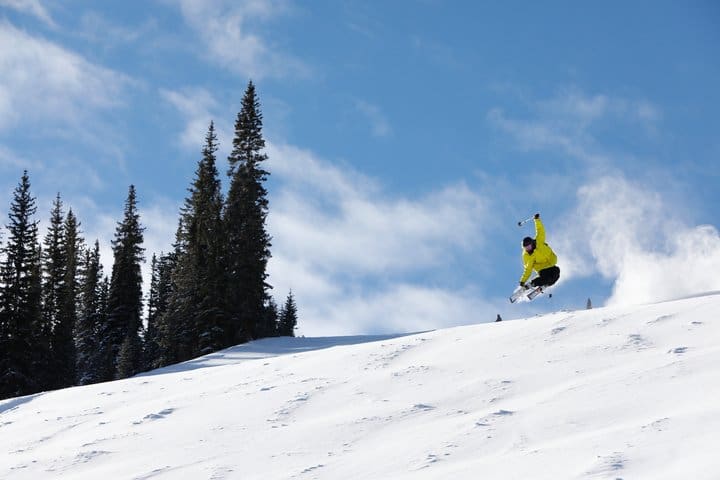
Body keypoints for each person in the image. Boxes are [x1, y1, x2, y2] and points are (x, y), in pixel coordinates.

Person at [519, 213, 560, 290]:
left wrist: (537, 220)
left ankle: (545, 284)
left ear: (532, 243)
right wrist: (522, 281)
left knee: (556, 273)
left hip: (551, 264)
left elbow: (540, 230)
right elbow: (528, 269)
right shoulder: (527, 255)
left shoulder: (539, 241)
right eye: (525, 248)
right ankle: (533, 283)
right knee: (546, 278)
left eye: (528, 246)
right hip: (542, 269)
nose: (527, 249)